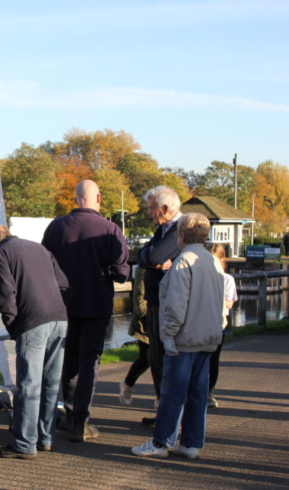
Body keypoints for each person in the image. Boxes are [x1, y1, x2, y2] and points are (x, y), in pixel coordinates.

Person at [41, 180, 129, 442]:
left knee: (68, 359)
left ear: (76, 198)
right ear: (98, 198)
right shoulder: (111, 230)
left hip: (62, 305)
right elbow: (122, 274)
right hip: (96, 304)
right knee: (89, 362)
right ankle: (81, 421)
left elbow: (44, 263)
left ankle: (68, 414)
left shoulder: (56, 227)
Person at [132, 213, 224, 460]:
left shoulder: (184, 261)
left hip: (185, 338)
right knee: (197, 392)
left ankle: (160, 442)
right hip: (208, 337)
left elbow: (175, 304)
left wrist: (168, 335)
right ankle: (191, 443)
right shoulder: (212, 260)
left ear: (181, 235)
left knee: (173, 391)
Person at [0, 225, 69, 459]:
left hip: (32, 322)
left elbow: (5, 294)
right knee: (51, 383)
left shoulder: (1, 254)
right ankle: (45, 438)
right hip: (60, 319)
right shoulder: (40, 249)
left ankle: (24, 444)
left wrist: (13, 325)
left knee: (29, 385)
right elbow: (63, 284)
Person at [136, 185, 182, 425]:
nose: (150, 213)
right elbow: (142, 254)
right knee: (156, 357)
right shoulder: (162, 229)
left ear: (165, 208)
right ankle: (163, 411)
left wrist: (151, 259)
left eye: (152, 208)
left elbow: (151, 257)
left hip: (167, 302)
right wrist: (149, 259)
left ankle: (170, 417)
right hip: (155, 300)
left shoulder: (179, 230)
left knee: (165, 357)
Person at [118, 265, 155, 407]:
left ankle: (161, 403)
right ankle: (128, 383)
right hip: (148, 321)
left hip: (167, 318)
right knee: (147, 359)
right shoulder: (145, 266)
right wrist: (146, 316)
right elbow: (139, 294)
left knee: (162, 364)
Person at [206, 243, 238, 408]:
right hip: (201, 321)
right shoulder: (201, 276)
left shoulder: (227, 280)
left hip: (219, 322)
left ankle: (209, 393)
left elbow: (230, 303)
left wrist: (213, 295)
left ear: (221, 260)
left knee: (213, 359)